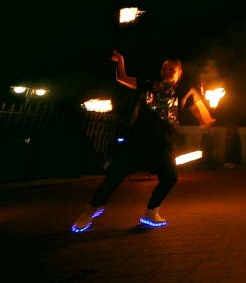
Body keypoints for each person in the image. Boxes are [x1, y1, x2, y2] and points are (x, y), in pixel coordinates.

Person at [71, 50, 215, 232]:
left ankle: (151, 211)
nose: (167, 72)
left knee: (170, 177)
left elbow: (199, 108)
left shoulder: (185, 91)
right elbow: (122, 78)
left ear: (179, 73)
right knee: (115, 175)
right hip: (138, 139)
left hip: (162, 142)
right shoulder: (149, 84)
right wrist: (121, 61)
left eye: (172, 70)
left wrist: (206, 119)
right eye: (165, 69)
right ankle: (91, 210)